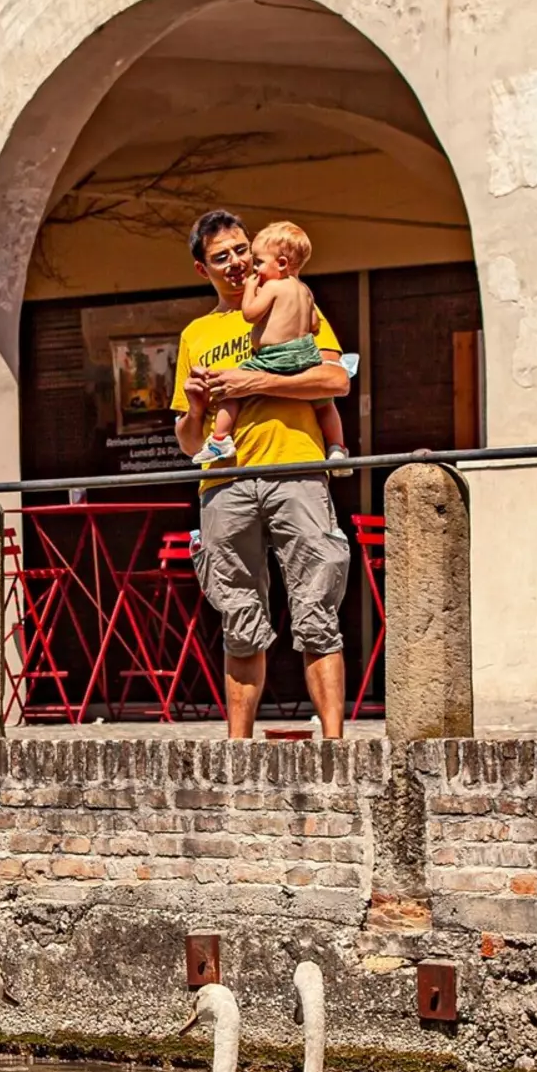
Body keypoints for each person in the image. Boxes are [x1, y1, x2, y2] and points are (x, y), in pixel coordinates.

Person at [171, 209, 353, 739]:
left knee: (318, 604)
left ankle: (335, 746)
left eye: (240, 249)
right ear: (204, 269)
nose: (235, 262)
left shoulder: (297, 295)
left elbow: (334, 380)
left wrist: (252, 384)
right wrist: (197, 405)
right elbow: (188, 443)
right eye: (220, 256)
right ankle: (237, 749)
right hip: (224, 481)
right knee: (240, 617)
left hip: (295, 468)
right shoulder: (196, 333)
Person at [192, 221, 350, 476]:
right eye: (221, 257)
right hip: (305, 351)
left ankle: (220, 439)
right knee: (324, 404)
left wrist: (252, 289)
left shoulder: (273, 288)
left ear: (282, 264)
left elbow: (250, 314)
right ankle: (337, 447)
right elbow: (311, 324)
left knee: (230, 390)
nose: (251, 269)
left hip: (275, 356)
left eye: (257, 262)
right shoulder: (305, 290)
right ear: (202, 268)